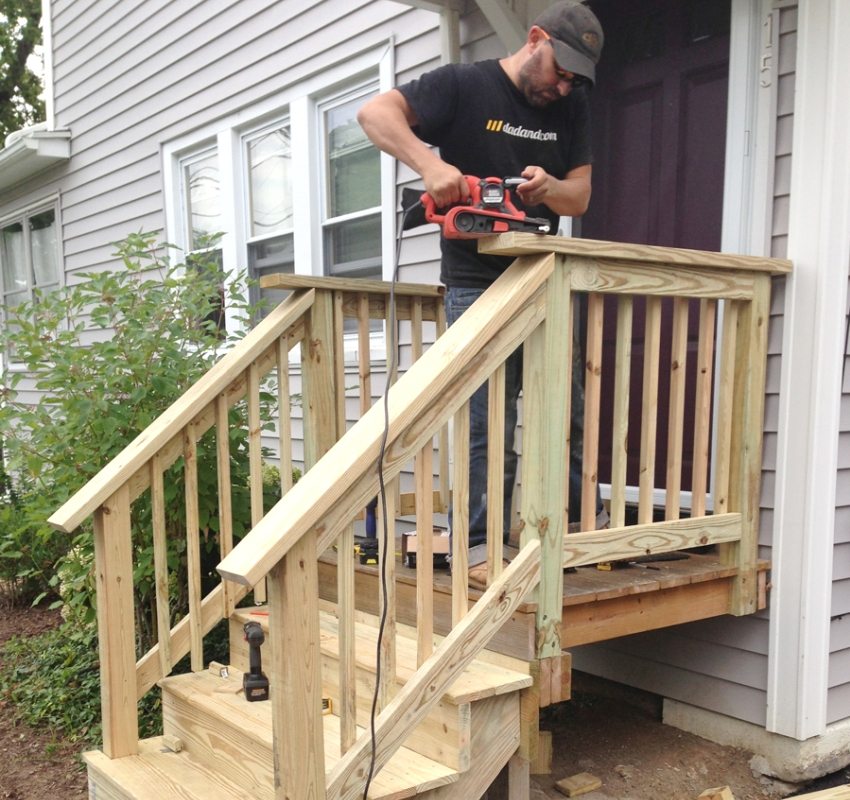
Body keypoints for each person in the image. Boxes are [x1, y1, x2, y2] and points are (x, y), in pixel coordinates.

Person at [357, 0, 605, 585]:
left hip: (542, 273)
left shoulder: (575, 106)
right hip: (475, 281)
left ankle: (568, 533)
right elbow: (374, 113)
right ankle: (477, 546)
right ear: (535, 38)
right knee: (486, 422)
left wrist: (549, 188)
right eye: (559, 71)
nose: (564, 87)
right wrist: (426, 162)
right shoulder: (465, 86)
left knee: (562, 412)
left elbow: (582, 197)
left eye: (574, 79)